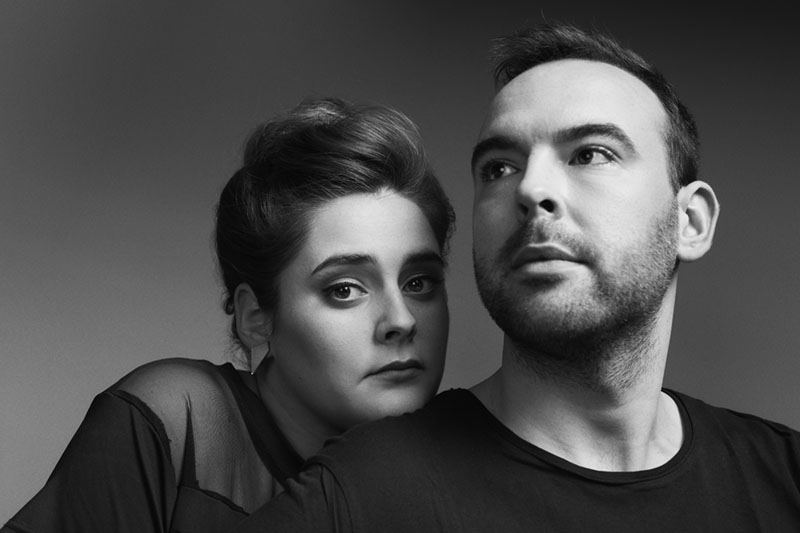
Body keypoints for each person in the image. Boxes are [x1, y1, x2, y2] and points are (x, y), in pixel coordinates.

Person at [230, 23, 800, 532]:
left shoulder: (785, 476)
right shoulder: (359, 496)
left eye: (590, 154)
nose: (530, 188)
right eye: (500, 167)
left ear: (690, 222)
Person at [1, 97, 455, 533]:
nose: (402, 321)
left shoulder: (454, 475)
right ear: (255, 317)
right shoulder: (177, 424)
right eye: (345, 290)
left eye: (419, 283)